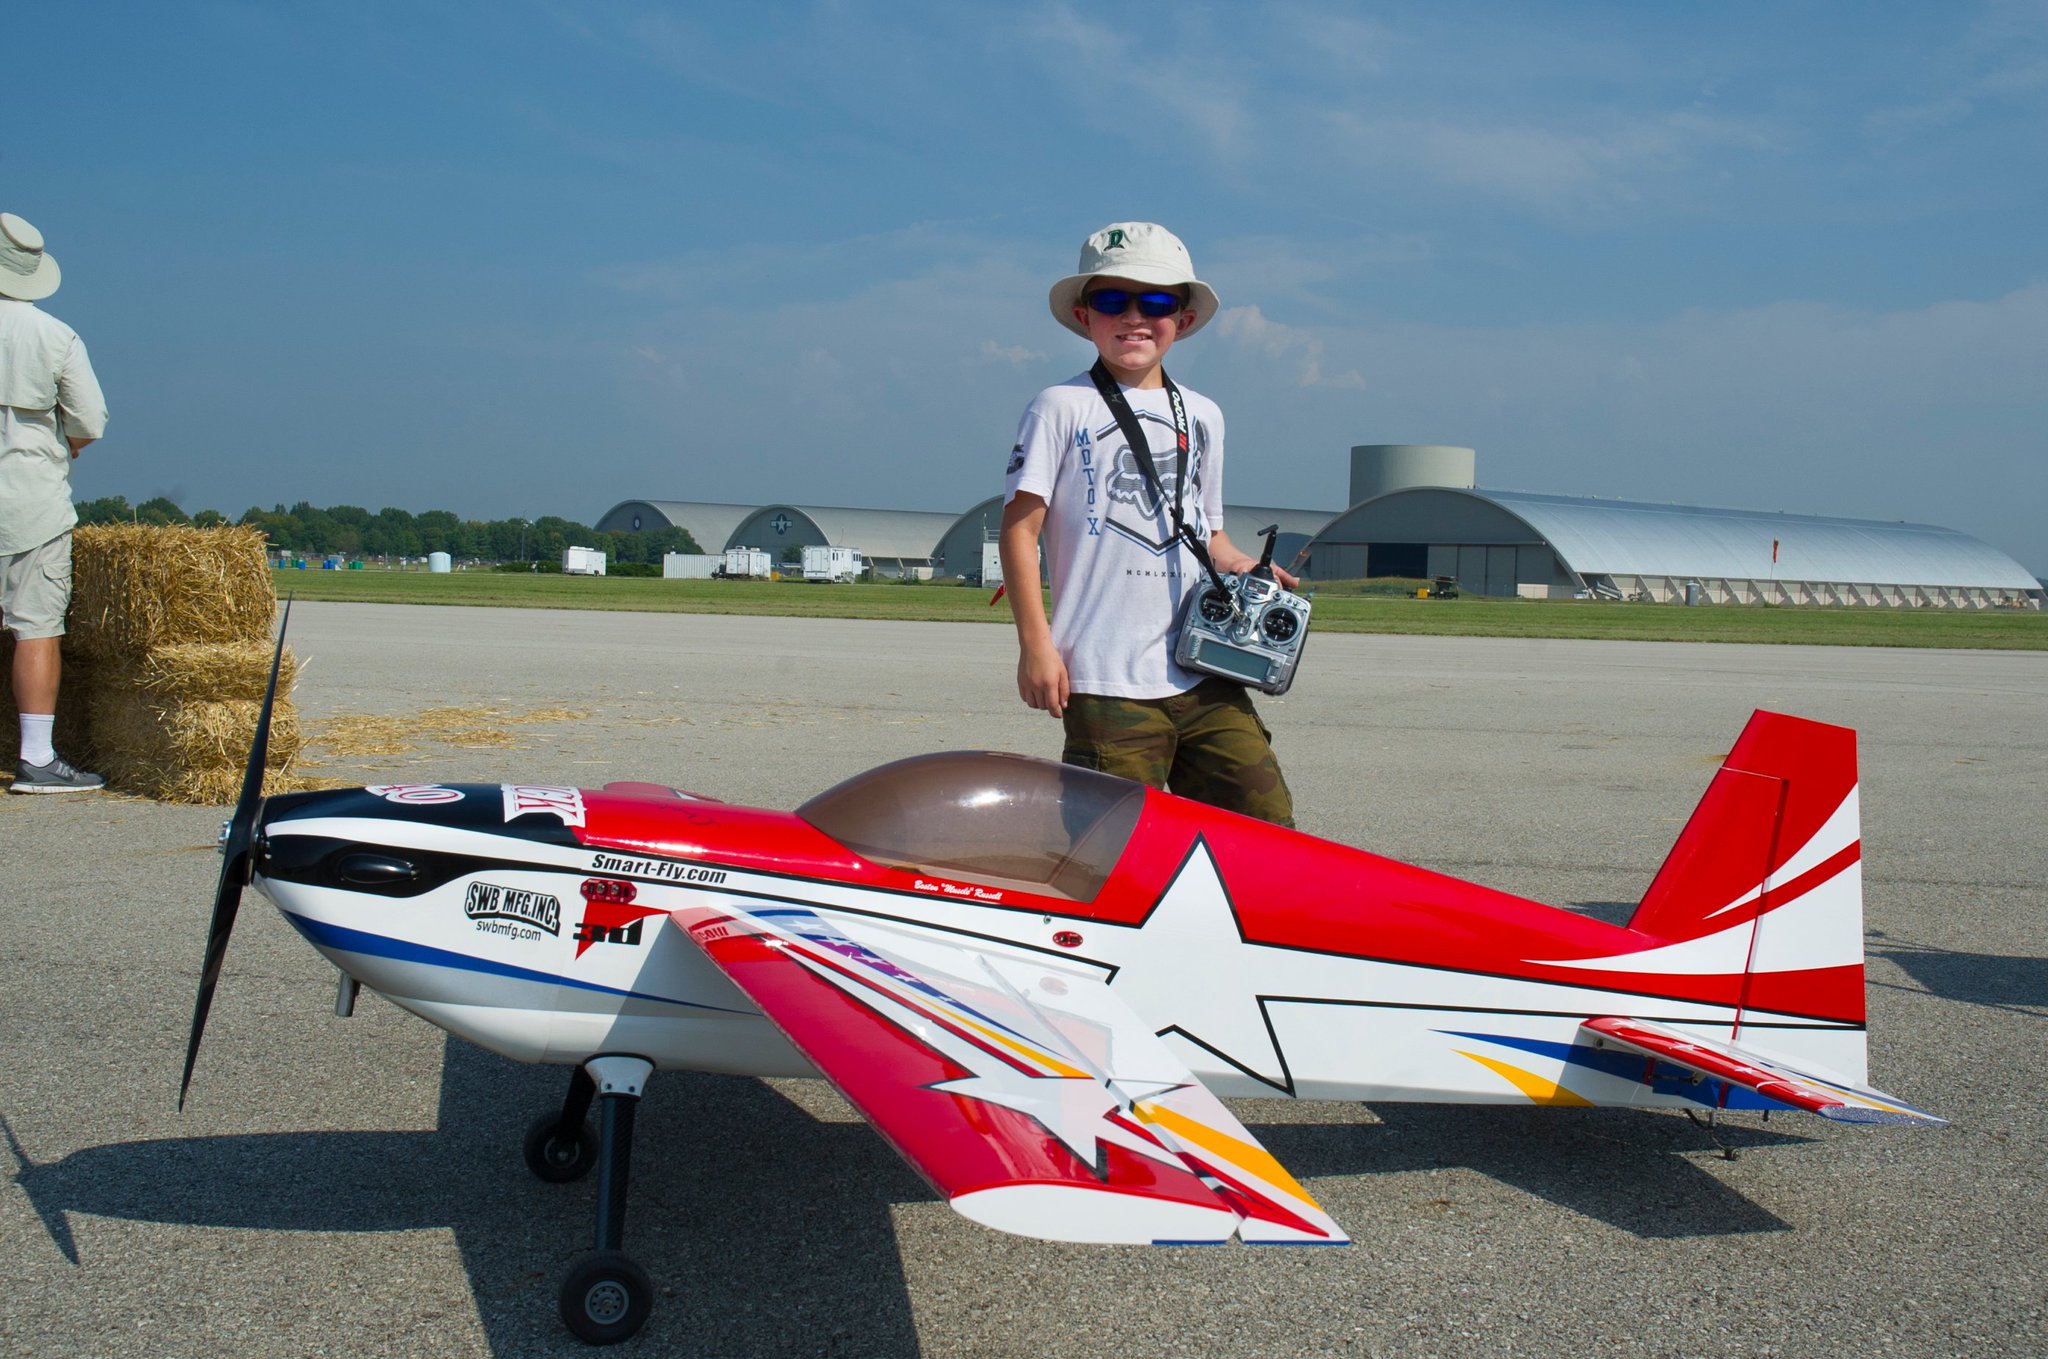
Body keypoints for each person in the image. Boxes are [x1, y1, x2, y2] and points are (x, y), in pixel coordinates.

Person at [999, 222, 1296, 827]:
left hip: (1204, 668)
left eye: (1156, 302)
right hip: (1107, 679)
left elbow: (1209, 532)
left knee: (1265, 824)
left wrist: (1243, 566)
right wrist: (1036, 645)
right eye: (1113, 301)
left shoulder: (1204, 415)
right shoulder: (1061, 406)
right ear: (1085, 316)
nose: (1134, 317)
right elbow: (1019, 531)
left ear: (1181, 320)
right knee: (1113, 852)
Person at [0, 212, 108, 793]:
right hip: (29, 501)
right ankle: (36, 759)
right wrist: (63, 444)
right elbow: (89, 420)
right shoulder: (55, 335)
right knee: (36, 627)